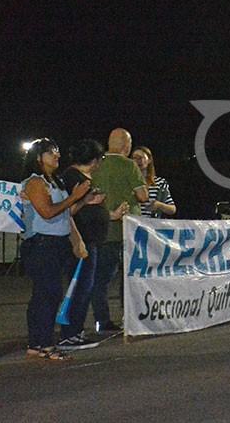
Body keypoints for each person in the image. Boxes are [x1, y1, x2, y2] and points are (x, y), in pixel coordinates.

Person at [20, 138, 94, 361]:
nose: (57, 156)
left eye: (57, 152)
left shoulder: (53, 180)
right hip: (42, 244)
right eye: (52, 153)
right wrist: (74, 196)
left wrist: (76, 239)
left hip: (55, 244)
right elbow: (47, 212)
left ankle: (37, 344)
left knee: (46, 295)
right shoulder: (34, 182)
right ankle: (44, 344)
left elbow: (64, 214)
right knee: (47, 296)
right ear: (38, 157)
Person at [91, 128, 149, 332]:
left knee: (101, 280)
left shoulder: (96, 164)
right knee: (130, 277)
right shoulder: (129, 166)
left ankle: (101, 319)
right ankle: (131, 316)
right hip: (127, 231)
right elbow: (143, 197)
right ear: (127, 145)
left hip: (101, 230)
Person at [57, 140, 113, 350]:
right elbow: (66, 211)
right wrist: (84, 201)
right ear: (95, 160)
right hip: (82, 241)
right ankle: (70, 333)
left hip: (92, 240)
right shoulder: (72, 177)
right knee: (80, 288)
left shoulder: (80, 177)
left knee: (85, 287)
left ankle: (75, 331)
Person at [131, 146, 176, 218]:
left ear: (149, 160)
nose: (138, 161)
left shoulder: (160, 183)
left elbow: (172, 209)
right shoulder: (128, 181)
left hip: (150, 225)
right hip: (131, 224)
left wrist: (158, 205)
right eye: (135, 158)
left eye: (140, 158)